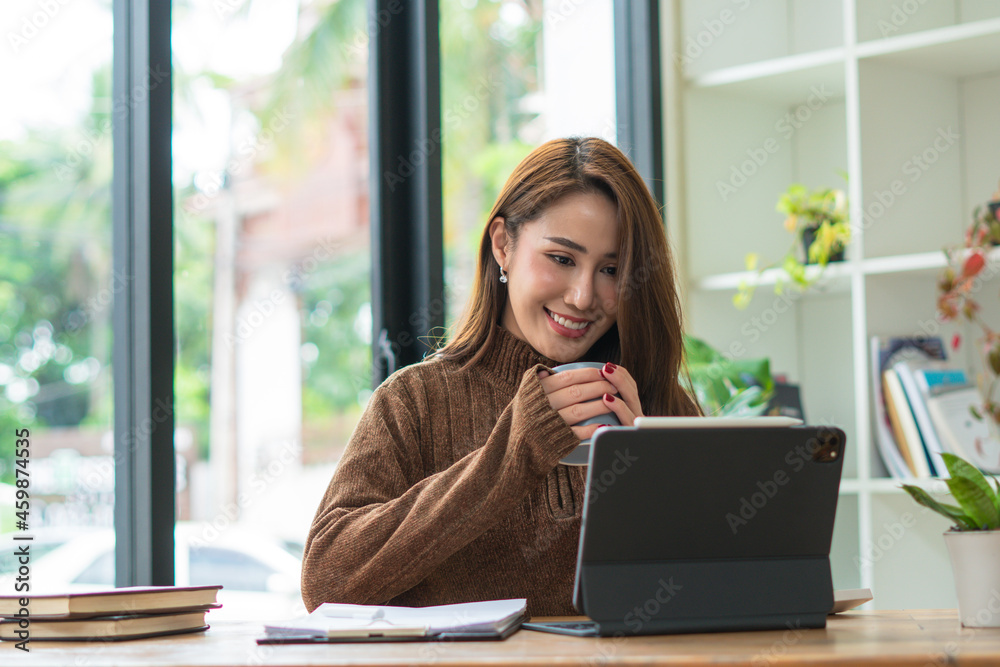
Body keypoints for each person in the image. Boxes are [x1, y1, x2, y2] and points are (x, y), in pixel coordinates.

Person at [301, 137, 700, 617]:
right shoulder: (414, 400)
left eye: (611, 269)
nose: (582, 296)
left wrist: (650, 479)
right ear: (503, 245)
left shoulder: (653, 401)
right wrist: (513, 452)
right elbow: (325, 581)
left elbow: (712, 594)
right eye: (562, 258)